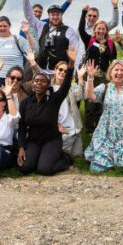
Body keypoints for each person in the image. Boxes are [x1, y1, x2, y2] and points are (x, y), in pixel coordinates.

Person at [17, 48, 77, 176]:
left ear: (47, 85)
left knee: (44, 169)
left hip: (52, 140)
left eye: (43, 81)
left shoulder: (54, 99)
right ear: (32, 84)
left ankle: (65, 157)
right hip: (33, 141)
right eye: (36, 81)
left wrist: (71, 63)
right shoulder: (25, 103)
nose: (39, 83)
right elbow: (22, 126)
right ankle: (40, 157)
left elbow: (66, 85)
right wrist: (21, 147)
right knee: (25, 168)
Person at [23, 0, 84, 73]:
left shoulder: (69, 31)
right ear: (49, 15)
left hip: (59, 73)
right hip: (41, 71)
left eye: (58, 14)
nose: (55, 17)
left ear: (61, 15)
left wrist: (74, 72)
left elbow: (76, 52)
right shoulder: (42, 26)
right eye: (53, 14)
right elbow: (29, 16)